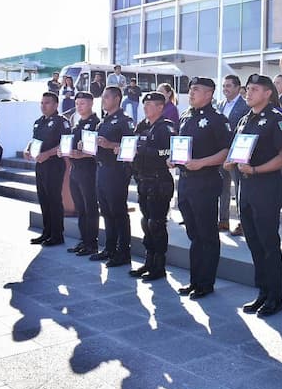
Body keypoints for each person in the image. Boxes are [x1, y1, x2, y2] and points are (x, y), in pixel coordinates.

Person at [227, 74, 282, 316]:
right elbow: (237, 148)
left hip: (266, 185)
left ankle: (275, 297)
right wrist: (230, 160)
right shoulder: (245, 119)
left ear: (267, 93)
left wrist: (256, 169)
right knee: (253, 241)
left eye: (254, 89)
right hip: (246, 186)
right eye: (248, 89)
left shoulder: (276, 119)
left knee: (268, 242)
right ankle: (262, 292)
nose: (248, 93)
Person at [176, 77, 232, 299]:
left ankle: (206, 283)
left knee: (206, 234)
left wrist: (202, 162)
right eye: (190, 89)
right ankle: (194, 280)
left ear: (209, 94)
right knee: (194, 234)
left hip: (206, 181)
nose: (191, 93)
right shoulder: (185, 117)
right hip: (186, 181)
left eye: (196, 90)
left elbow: (226, 151)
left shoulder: (217, 119)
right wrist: (174, 159)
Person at [129, 91, 177, 281]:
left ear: (160, 107)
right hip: (143, 179)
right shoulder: (142, 126)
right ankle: (148, 262)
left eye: (151, 105)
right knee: (146, 223)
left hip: (159, 181)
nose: (146, 108)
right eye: (145, 105)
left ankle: (159, 266)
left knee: (156, 224)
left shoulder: (166, 128)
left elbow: (167, 151)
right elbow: (132, 144)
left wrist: (144, 150)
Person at [89, 86, 135, 267]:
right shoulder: (103, 121)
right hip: (101, 169)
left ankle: (123, 252)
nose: (103, 100)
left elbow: (131, 145)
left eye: (107, 97)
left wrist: (110, 144)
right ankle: (109, 248)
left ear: (117, 99)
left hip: (116, 170)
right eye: (103, 97)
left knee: (118, 212)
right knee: (106, 211)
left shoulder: (125, 121)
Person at [25, 92, 72, 246]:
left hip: (54, 164)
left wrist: (47, 154)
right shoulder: (39, 122)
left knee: (54, 200)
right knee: (43, 199)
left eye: (47, 103)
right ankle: (47, 232)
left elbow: (65, 145)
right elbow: (34, 140)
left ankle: (57, 235)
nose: (43, 105)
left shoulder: (61, 122)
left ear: (55, 105)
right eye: (42, 102)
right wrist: (28, 149)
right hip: (40, 165)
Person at [65, 92, 101, 257]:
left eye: (82, 104)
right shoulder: (77, 123)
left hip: (89, 170)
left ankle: (92, 243)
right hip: (75, 169)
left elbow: (95, 150)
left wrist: (82, 152)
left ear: (91, 104)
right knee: (80, 208)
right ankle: (83, 240)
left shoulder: (96, 123)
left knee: (90, 207)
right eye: (77, 103)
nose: (79, 107)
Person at [217, 75, 250, 232]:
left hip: (237, 153)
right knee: (222, 188)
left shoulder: (245, 106)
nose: (225, 89)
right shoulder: (220, 104)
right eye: (224, 86)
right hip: (222, 153)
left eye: (228, 86)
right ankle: (223, 220)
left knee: (239, 189)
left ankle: (243, 222)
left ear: (238, 87)